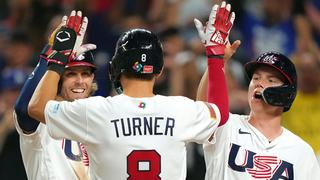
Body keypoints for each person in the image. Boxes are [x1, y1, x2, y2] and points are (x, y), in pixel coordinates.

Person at [27, 2, 234, 179]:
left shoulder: (95, 110)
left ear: (115, 68)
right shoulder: (179, 109)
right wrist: (215, 59)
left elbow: (36, 107)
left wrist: (58, 56)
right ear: (160, 70)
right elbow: (220, 114)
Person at [195, 9, 320, 178]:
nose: (259, 83)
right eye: (256, 78)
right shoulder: (228, 126)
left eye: (271, 80)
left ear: (287, 93)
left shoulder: (301, 152)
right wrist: (217, 60)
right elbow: (204, 112)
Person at [13, 11, 97, 179]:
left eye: (85, 73)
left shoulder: (97, 115)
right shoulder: (43, 119)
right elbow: (24, 110)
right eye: (71, 74)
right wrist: (53, 53)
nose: (80, 81)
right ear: (58, 78)